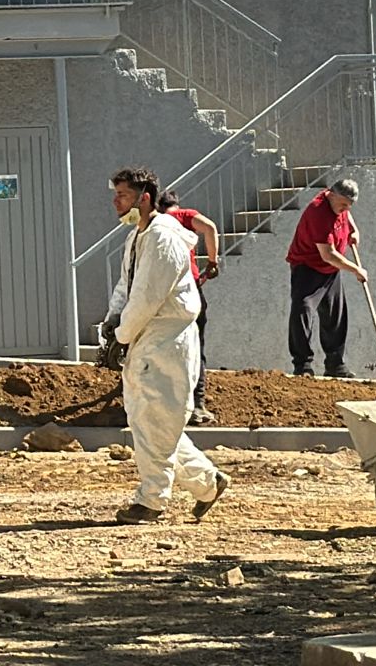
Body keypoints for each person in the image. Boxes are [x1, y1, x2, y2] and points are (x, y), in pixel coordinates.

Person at [101, 168, 230, 524]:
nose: (116, 202)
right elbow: (126, 289)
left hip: (165, 339)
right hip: (147, 336)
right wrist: (112, 325)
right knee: (154, 419)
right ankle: (208, 483)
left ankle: (152, 501)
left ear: (144, 197)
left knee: (153, 418)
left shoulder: (163, 239)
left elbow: (146, 296)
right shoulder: (137, 237)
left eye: (123, 195)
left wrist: (122, 334)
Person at [284, 178, 363, 378]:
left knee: (335, 315)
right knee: (303, 309)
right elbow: (328, 254)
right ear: (332, 194)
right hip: (307, 267)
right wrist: (355, 270)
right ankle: (303, 365)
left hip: (330, 270)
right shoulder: (317, 212)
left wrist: (353, 230)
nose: (345, 209)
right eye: (343, 204)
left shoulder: (339, 205)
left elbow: (346, 215)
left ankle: (335, 364)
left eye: (349, 205)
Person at [156, 191, 221, 425]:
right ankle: (197, 405)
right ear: (176, 204)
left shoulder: (154, 224)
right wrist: (212, 261)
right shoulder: (184, 216)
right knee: (195, 347)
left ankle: (168, 404)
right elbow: (211, 228)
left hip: (162, 293)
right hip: (189, 290)